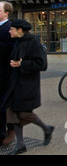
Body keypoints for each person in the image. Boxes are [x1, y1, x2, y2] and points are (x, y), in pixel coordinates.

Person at [3, 19, 54, 154]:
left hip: (27, 85)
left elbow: (41, 64)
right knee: (12, 113)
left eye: (12, 29)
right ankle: (20, 145)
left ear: (19, 30)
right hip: (14, 84)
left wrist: (21, 64)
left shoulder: (33, 42)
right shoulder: (18, 41)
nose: (9, 31)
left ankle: (46, 128)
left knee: (24, 114)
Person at [0, 2, 15, 146]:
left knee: (4, 105)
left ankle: (9, 131)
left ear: (6, 13)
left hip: (5, 74)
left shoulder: (10, 28)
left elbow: (12, 50)